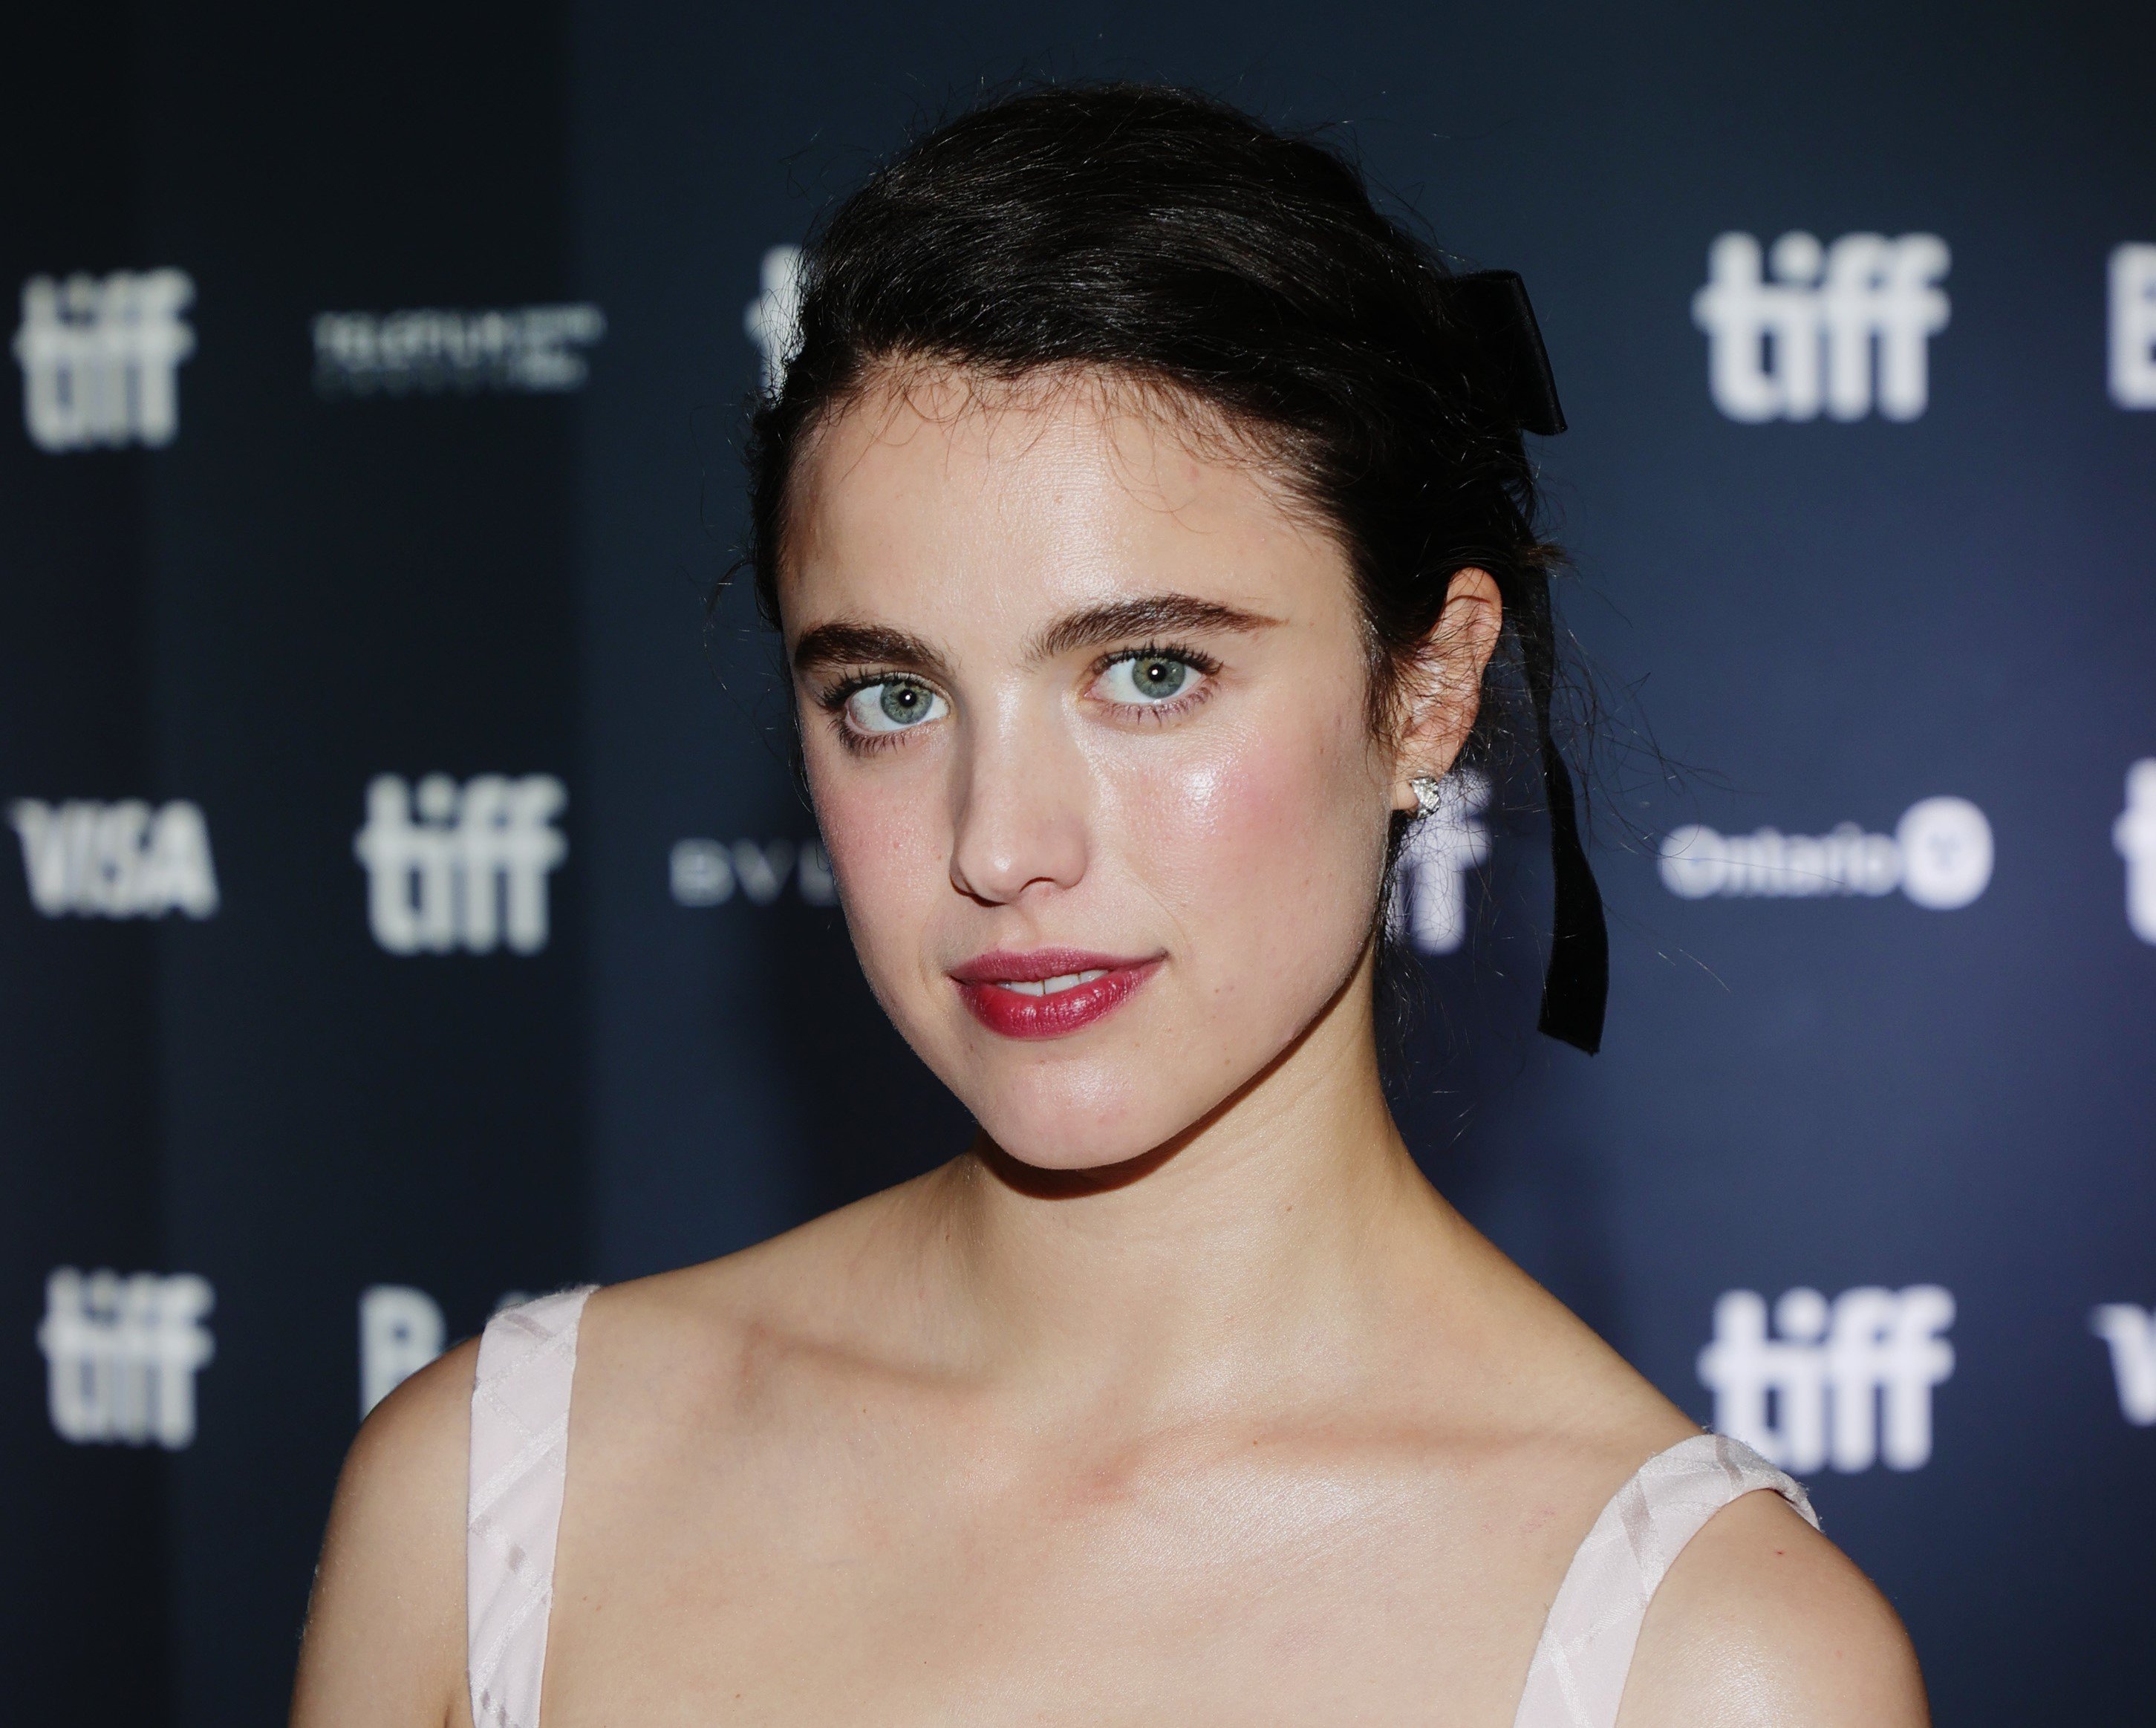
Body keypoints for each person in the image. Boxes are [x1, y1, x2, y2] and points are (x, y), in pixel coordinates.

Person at [291, 83, 1928, 1728]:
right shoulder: (494, 1494)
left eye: (1150, 673)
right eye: (890, 697)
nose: (1000, 846)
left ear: (1428, 691)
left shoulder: (1724, 1665)